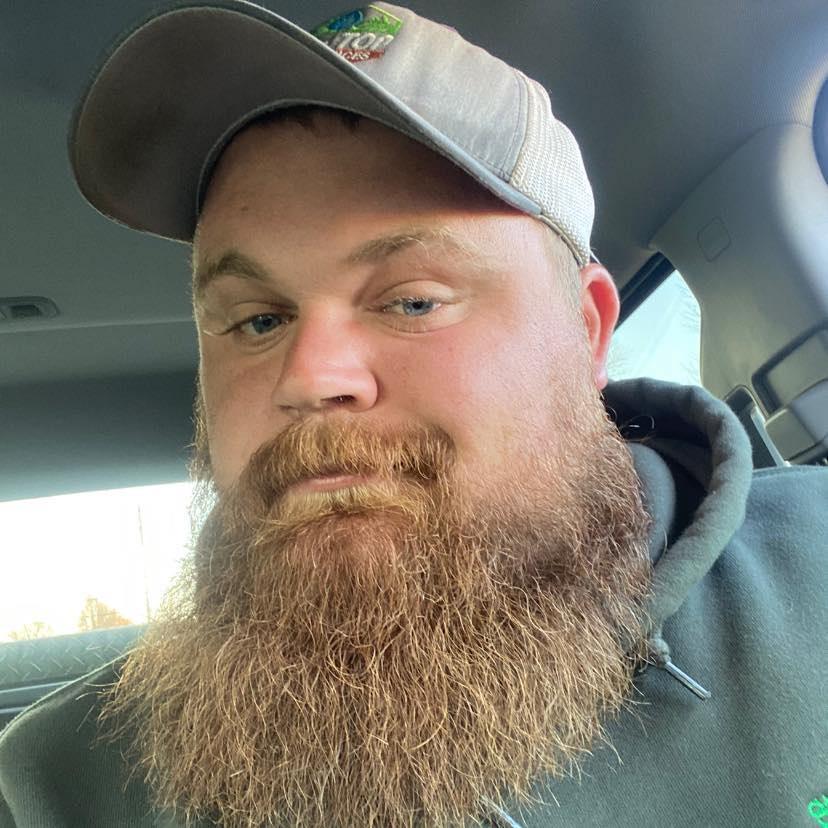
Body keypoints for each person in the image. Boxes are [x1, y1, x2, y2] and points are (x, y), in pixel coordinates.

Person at [1, 2, 826, 827]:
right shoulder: (62, 788)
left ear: (586, 331)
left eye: (413, 301)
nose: (310, 377)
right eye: (258, 320)